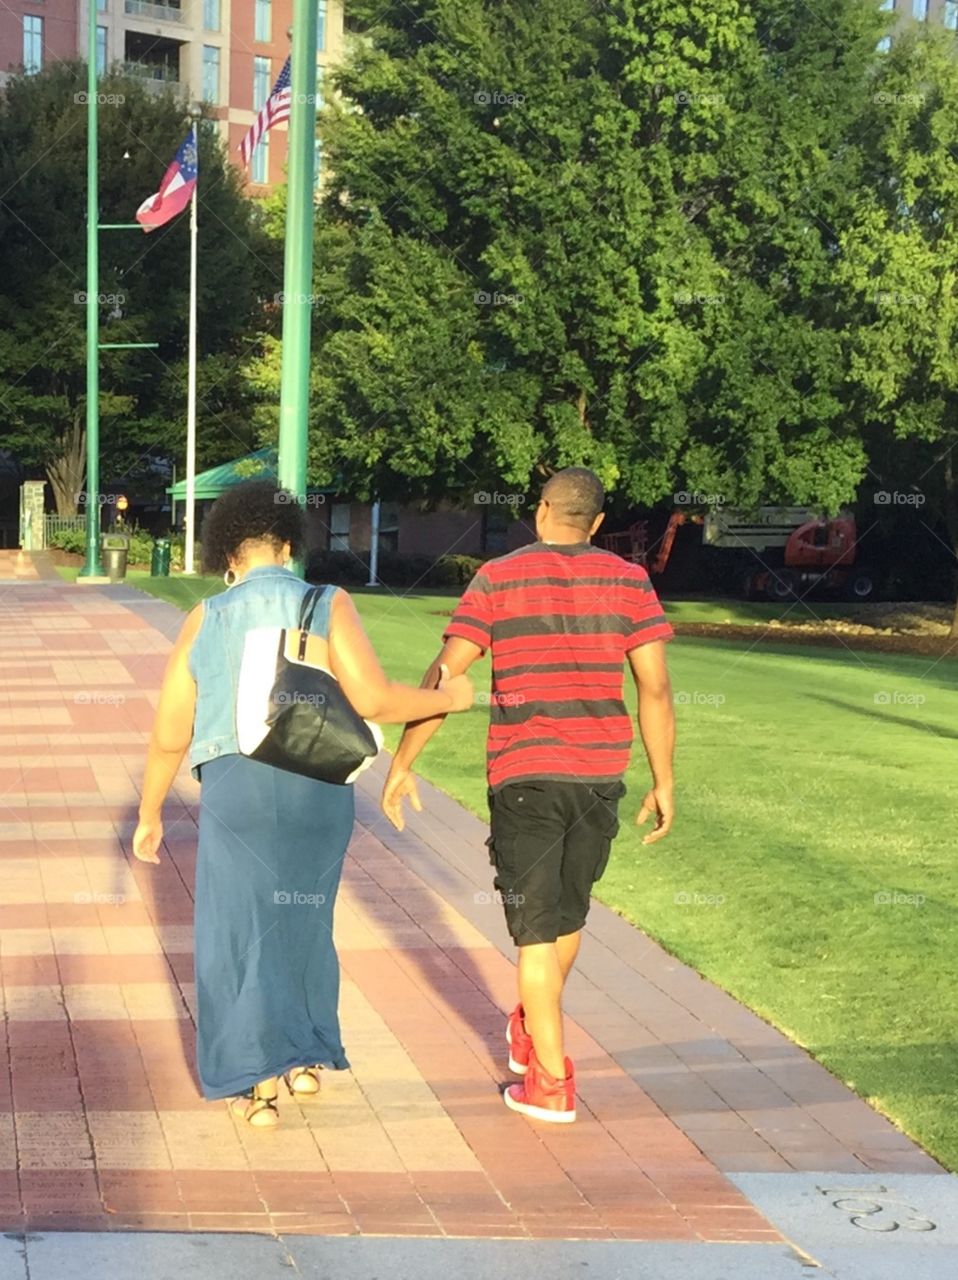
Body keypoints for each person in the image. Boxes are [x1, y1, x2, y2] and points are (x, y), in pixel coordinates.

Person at [133, 480, 473, 1128]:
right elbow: (372, 700)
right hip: (318, 786)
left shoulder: (207, 617)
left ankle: (254, 1086)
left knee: (237, 931)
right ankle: (305, 1059)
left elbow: (171, 731)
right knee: (304, 921)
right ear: (289, 545)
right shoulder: (327, 602)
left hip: (240, 784)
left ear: (226, 554)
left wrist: (152, 812)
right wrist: (450, 700)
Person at [382, 467, 675, 1123]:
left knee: (541, 935)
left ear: (542, 512)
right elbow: (654, 686)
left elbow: (446, 674)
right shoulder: (630, 583)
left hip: (524, 777)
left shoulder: (498, 579)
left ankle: (550, 1082)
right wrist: (665, 779)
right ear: (596, 524)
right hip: (599, 776)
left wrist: (405, 759)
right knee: (564, 919)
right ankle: (531, 1023)